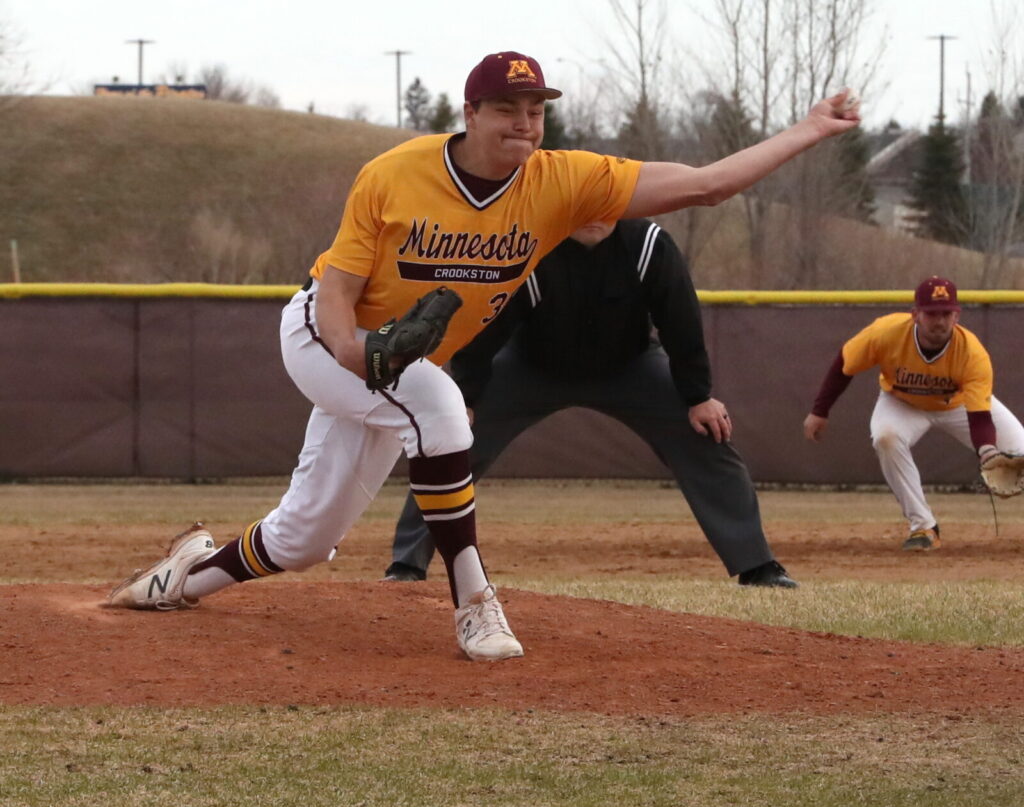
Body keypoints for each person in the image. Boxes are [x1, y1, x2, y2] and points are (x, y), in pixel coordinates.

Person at [108, 50, 858, 661]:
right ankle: (475, 603)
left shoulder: (561, 183)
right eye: (506, 109)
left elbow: (706, 187)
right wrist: (356, 348)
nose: (524, 125)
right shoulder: (395, 174)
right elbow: (334, 291)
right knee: (437, 409)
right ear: (469, 113)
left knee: (306, 538)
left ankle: (184, 577)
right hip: (321, 338)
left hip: (395, 367)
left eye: (535, 111)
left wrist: (808, 130)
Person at [384, 218, 797, 588]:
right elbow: (487, 326)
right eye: (584, 203)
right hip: (532, 366)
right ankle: (407, 562)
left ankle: (757, 566)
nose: (595, 216)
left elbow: (680, 320)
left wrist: (698, 396)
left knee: (706, 433)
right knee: (450, 438)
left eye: (606, 203)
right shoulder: (531, 243)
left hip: (629, 366)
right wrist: (467, 398)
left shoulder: (649, 244)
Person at [803, 276, 1024, 550]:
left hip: (955, 405)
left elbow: (979, 415)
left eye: (946, 313)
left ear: (957, 316)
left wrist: (988, 451)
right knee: (885, 437)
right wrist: (820, 411)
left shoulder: (972, 353)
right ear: (915, 314)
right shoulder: (886, 332)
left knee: (1021, 449)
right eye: (932, 314)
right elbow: (844, 365)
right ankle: (924, 527)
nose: (940, 321)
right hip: (902, 403)